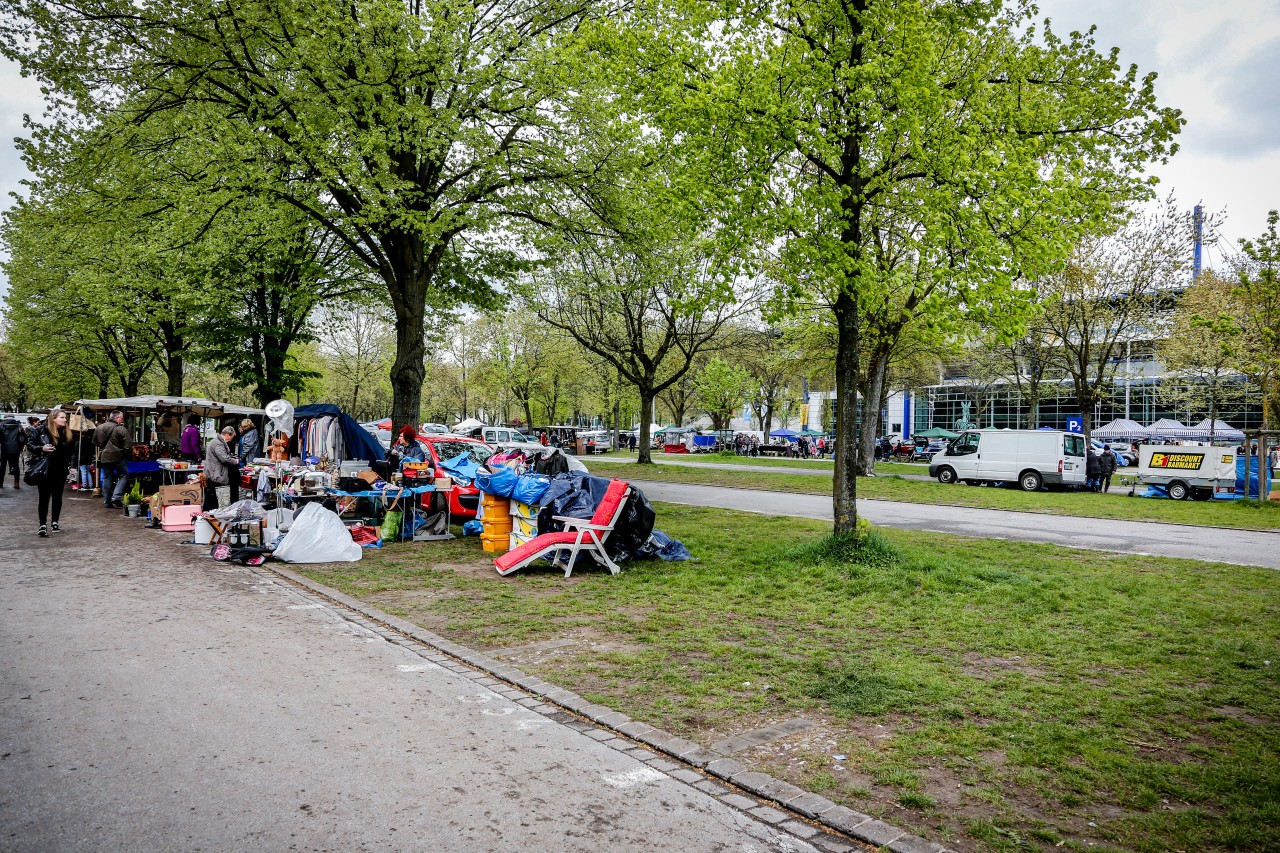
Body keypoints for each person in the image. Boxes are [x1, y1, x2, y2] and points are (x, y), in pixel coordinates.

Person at [28, 408, 73, 536]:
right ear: (53, 418)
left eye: (65, 418)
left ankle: (55, 522)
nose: (65, 420)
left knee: (57, 497)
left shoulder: (67, 433)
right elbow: (30, 445)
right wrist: (42, 448)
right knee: (44, 497)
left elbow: (71, 451)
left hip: (60, 469)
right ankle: (42, 524)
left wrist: (71, 465)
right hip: (44, 469)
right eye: (62, 417)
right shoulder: (40, 430)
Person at [94, 410, 132, 508]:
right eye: (122, 418)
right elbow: (128, 445)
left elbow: (94, 442)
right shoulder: (121, 429)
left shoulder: (99, 427)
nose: (122, 420)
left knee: (107, 478)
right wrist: (124, 451)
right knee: (124, 475)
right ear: (117, 418)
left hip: (104, 457)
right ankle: (116, 497)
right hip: (118, 457)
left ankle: (107, 501)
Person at [203, 426, 239, 511]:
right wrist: (235, 461)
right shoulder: (218, 443)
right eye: (231, 437)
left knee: (210, 496)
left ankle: (207, 512)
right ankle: (212, 514)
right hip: (216, 473)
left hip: (212, 472)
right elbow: (224, 458)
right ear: (227, 435)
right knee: (214, 497)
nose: (231, 439)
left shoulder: (214, 441)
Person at [0, 413, 23, 488]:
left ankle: (1, 482)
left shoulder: (1, 425)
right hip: (15, 448)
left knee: (2, 466)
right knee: (16, 465)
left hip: (4, 448)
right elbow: (23, 437)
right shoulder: (18, 425)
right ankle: (17, 483)